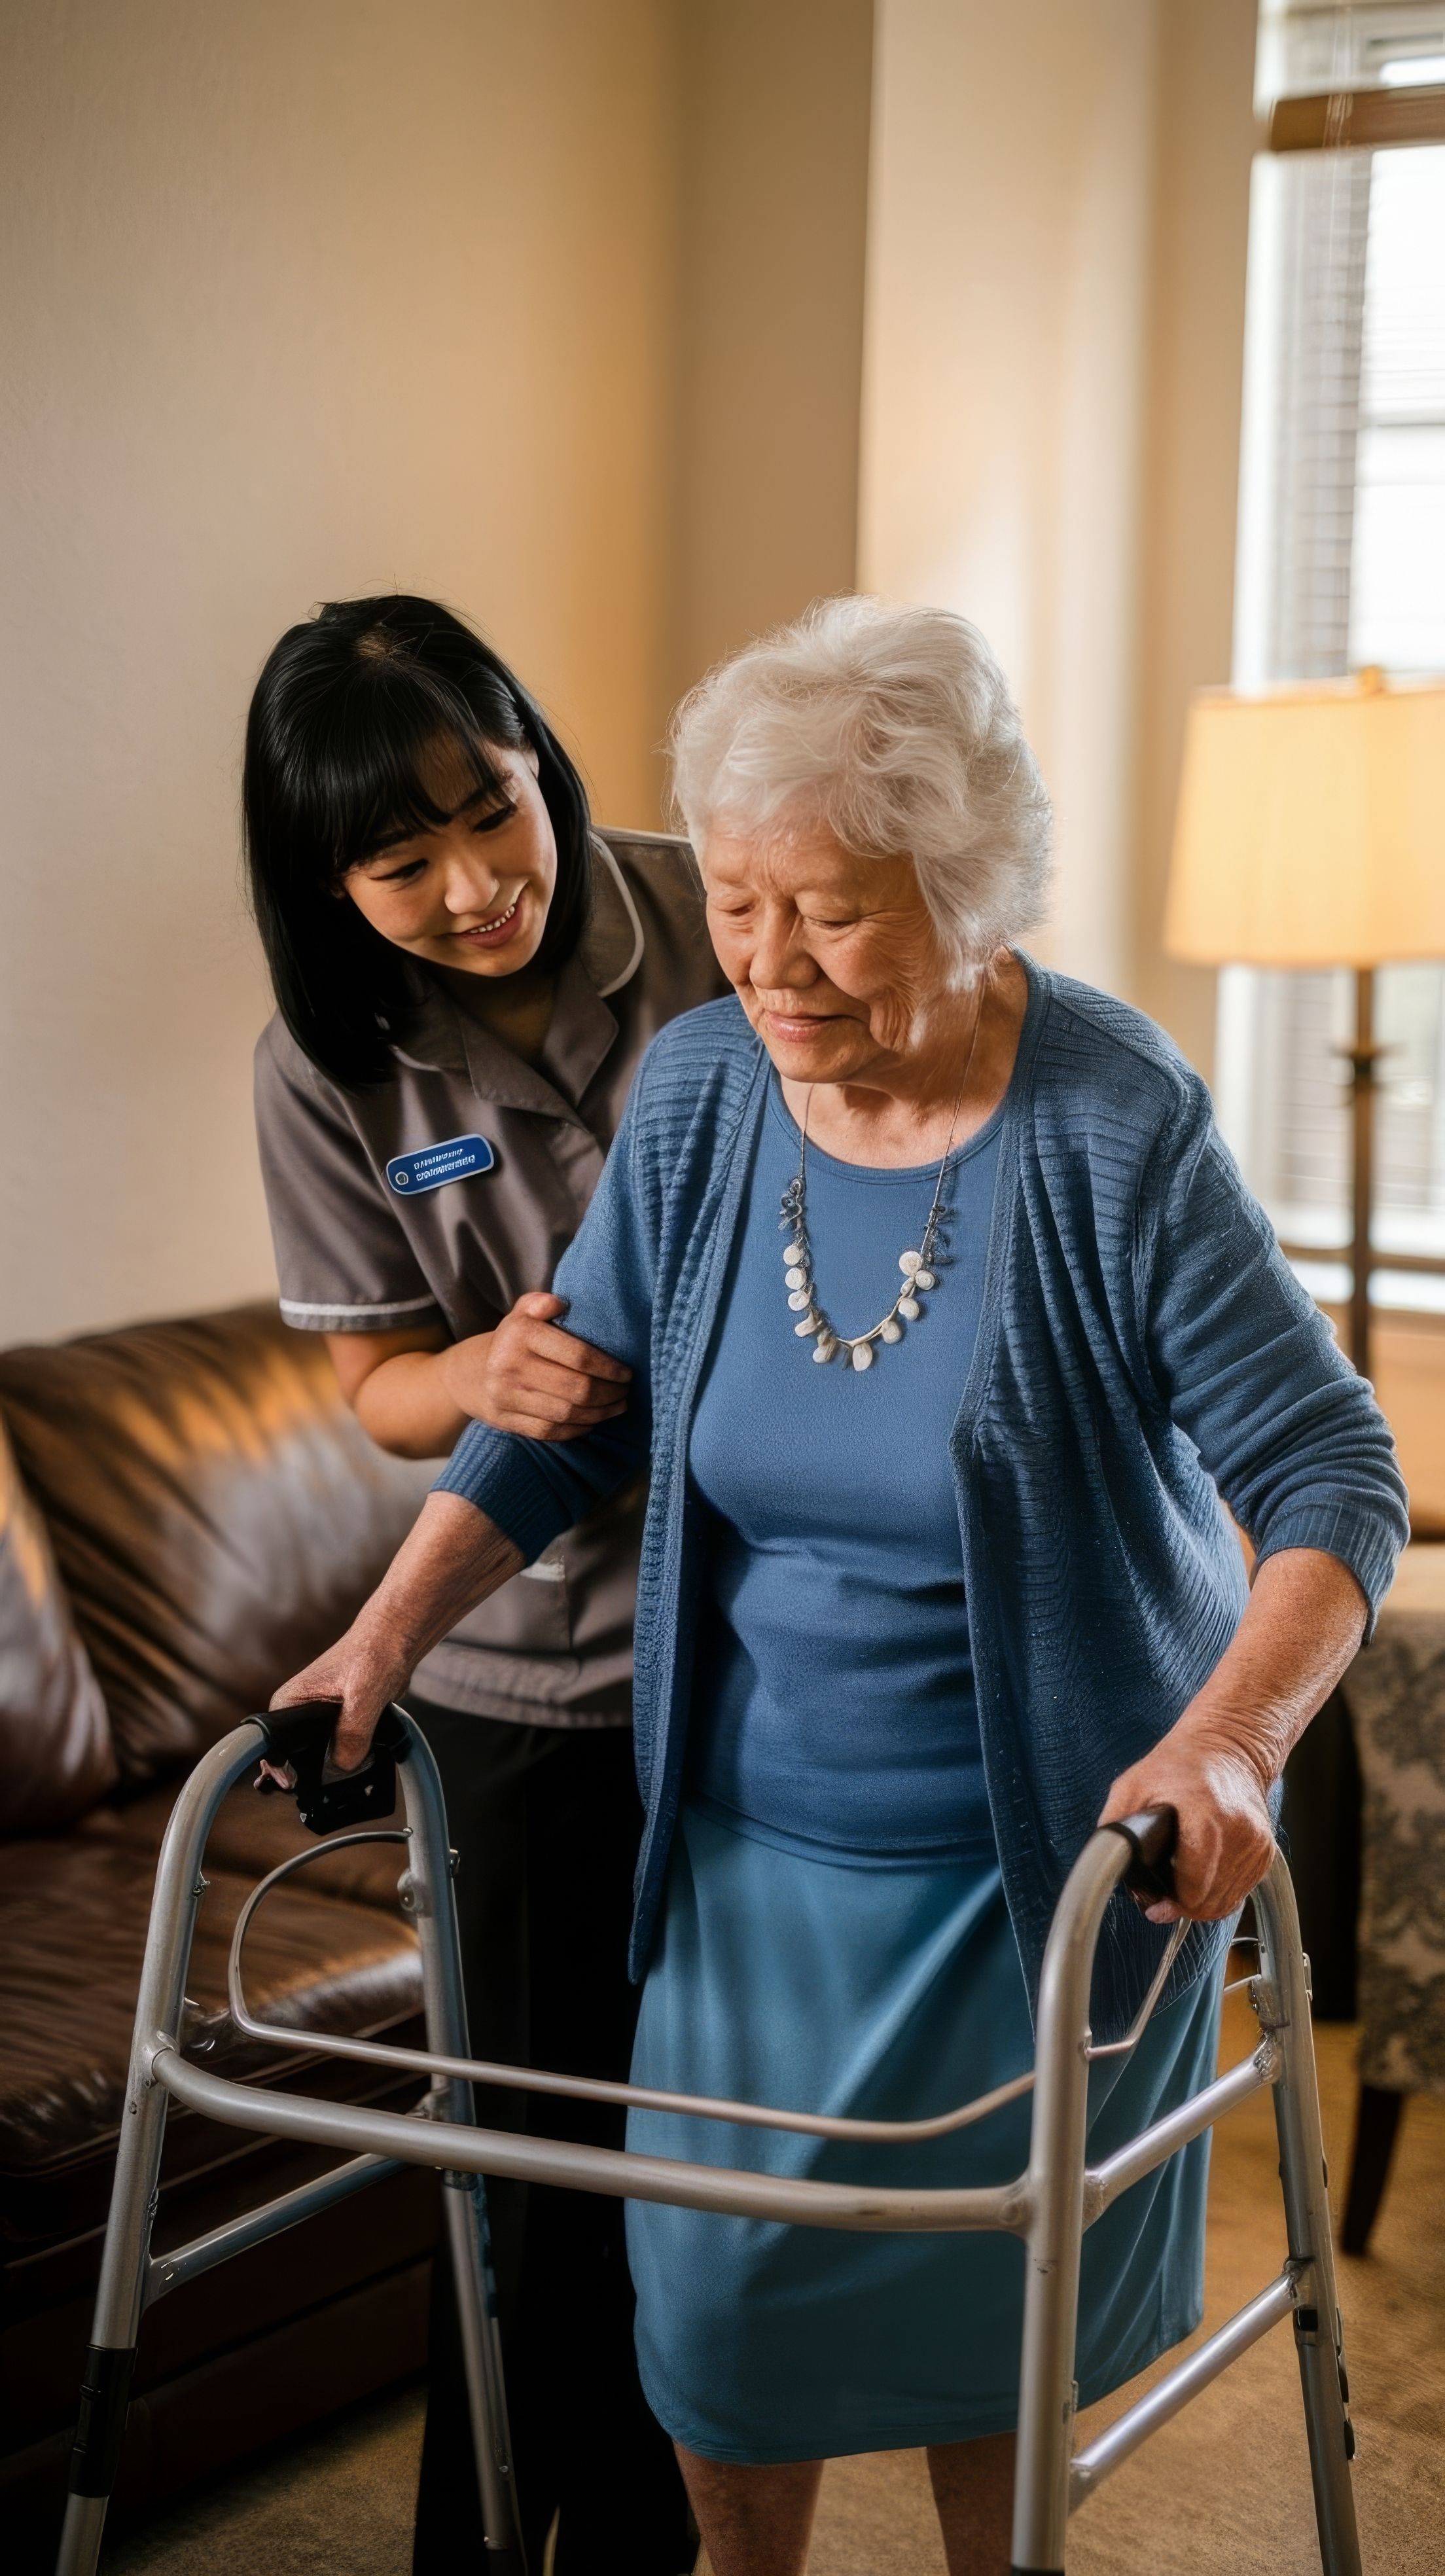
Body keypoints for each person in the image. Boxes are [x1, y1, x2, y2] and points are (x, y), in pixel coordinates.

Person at [272, 596, 1408, 2576]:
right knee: (713, 2361)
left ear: (964, 894)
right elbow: (563, 1422)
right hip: (740, 1882)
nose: (773, 966)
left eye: (838, 913)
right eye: (735, 905)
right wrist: (380, 1638)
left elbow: (1334, 1467)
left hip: (1032, 1879)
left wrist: (1228, 1744)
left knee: (992, 2389)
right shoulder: (706, 1093)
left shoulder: (1111, 1124)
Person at [245, 594, 715, 2575]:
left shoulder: (717, 917)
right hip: (528, 1688)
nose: (470, 886)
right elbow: (375, 1389)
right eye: (398, 858)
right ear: (323, 878)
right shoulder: (322, 1061)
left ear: (541, 755)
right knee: (530, 2199)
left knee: (720, 2175)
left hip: (780, 1654)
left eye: (489, 809)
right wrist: (481, 1374)